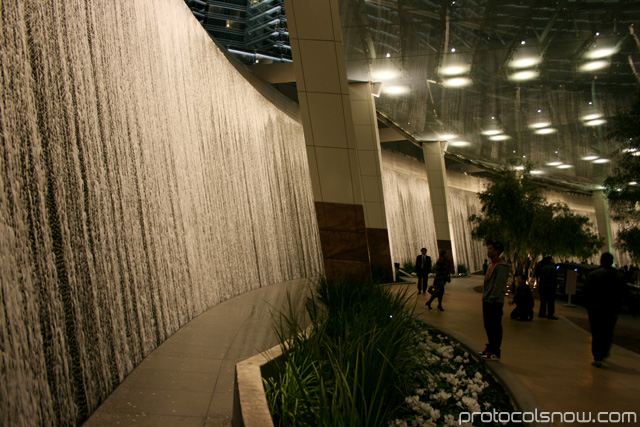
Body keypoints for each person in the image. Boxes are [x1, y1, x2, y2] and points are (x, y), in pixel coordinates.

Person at [584, 252, 628, 368]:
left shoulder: (593, 274)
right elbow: (624, 293)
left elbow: (587, 292)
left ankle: (597, 356)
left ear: (601, 261)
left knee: (597, 332)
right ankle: (604, 352)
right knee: (608, 331)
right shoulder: (619, 276)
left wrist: (589, 306)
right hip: (611, 310)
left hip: (596, 309)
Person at [478, 240, 509, 360]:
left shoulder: (501, 266)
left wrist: (491, 298)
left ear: (497, 252)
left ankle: (496, 351)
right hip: (487, 300)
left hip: (494, 302)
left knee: (495, 326)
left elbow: (498, 285)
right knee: (488, 325)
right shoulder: (492, 264)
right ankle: (490, 347)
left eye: (490, 249)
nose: (488, 251)